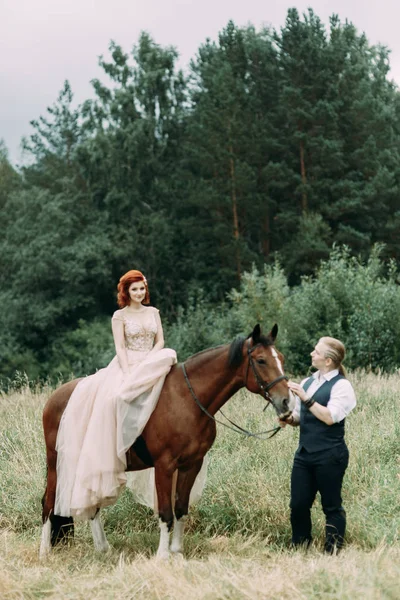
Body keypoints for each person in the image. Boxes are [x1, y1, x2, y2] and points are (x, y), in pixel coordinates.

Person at [54, 270, 177, 519]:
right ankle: (120, 448)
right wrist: (131, 370)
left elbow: (160, 341)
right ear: (126, 292)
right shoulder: (119, 316)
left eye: (142, 289)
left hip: (152, 360)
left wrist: (150, 361)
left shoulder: (153, 313)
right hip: (127, 363)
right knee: (117, 398)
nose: (140, 293)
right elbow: (120, 347)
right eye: (135, 290)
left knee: (172, 383)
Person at [281, 336, 356, 554]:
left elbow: (330, 417)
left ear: (328, 360)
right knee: (298, 505)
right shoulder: (308, 382)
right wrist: (288, 419)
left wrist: (304, 398)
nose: (312, 354)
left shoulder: (342, 386)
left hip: (331, 455)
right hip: (304, 454)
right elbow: (298, 417)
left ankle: (332, 551)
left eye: (316, 351)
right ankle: (300, 546)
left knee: (331, 506)